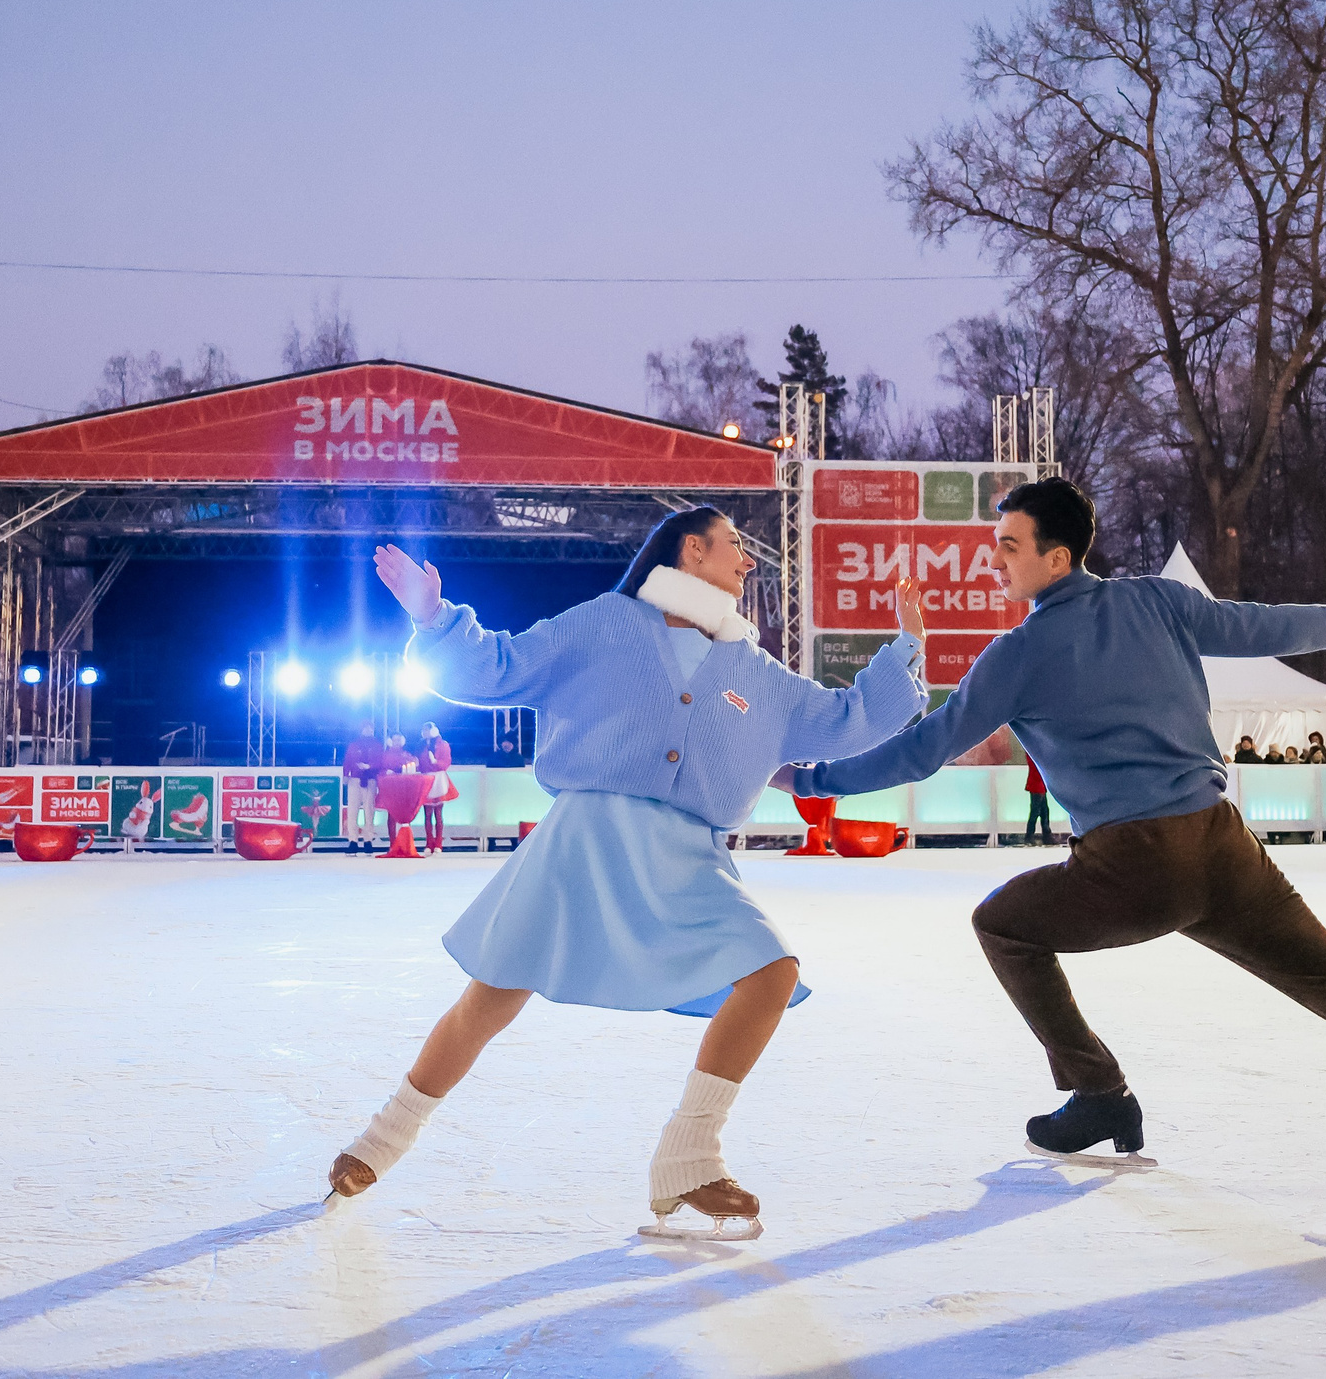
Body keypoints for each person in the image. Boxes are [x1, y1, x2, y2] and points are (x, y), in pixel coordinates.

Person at [787, 476, 1326, 1188]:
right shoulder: (1159, 601)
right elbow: (1281, 628)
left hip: (1133, 864)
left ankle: (1099, 1092)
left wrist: (812, 779)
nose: (992, 560)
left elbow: (924, 749)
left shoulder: (1018, 653)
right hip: (1223, 847)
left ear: (1057, 558)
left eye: (1007, 546)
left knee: (1002, 923)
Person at [327, 507, 930, 1239]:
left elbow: (846, 718)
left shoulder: (755, 672)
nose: (748, 562)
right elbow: (501, 665)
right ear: (692, 550)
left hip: (688, 855)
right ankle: (381, 1140)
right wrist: (434, 618)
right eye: (735, 546)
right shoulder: (607, 624)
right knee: (487, 1002)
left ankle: (690, 1156)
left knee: (771, 973)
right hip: (584, 841)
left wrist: (907, 647)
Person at [340, 722, 383, 854]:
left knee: (369, 810)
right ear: (361, 729)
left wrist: (369, 766)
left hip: (370, 780)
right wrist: (345, 775)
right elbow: (347, 760)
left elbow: (380, 761)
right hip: (355, 779)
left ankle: (368, 840)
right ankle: (353, 840)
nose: (368, 730)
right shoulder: (354, 744)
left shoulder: (377, 745)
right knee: (352, 810)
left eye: (370, 728)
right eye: (365, 728)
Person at [416, 722, 456, 851]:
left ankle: (438, 843)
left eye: (427, 730)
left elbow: (446, 762)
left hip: (438, 779)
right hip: (426, 779)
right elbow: (419, 763)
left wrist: (435, 762)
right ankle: (429, 843)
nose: (425, 732)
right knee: (427, 814)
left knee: (438, 813)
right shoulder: (421, 745)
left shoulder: (443, 744)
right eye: (423, 730)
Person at [1024, 755, 1053, 846]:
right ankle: (1031, 835)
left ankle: (1043, 835)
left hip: (1038, 785)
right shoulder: (1035, 755)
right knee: (1037, 811)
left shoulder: (1034, 754)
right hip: (1037, 785)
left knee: (1043, 811)